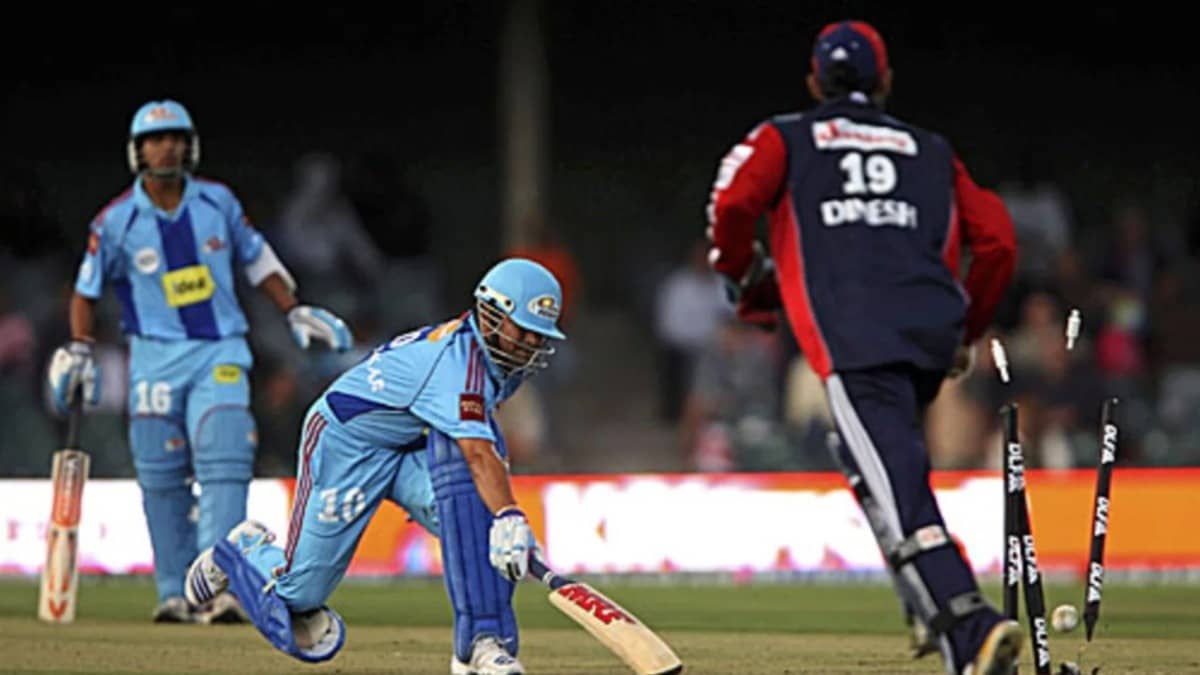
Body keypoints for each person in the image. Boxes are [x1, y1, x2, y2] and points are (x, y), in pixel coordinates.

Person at [704, 20, 1021, 675]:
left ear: (814, 82)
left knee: (899, 487)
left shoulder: (786, 137)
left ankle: (969, 624)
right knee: (865, 455)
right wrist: (966, 327)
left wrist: (742, 276)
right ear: (886, 81)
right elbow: (997, 241)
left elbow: (730, 204)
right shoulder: (931, 148)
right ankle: (928, 605)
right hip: (927, 334)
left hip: (855, 338)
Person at [45, 99, 353, 623]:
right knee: (160, 475)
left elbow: (258, 259)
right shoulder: (116, 221)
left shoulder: (217, 203)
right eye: (155, 139)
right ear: (137, 151)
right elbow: (85, 290)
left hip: (219, 349)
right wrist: (79, 346)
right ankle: (175, 590)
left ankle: (221, 586)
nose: (166, 147)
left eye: (175, 138)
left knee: (225, 453)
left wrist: (293, 309)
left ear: (190, 146)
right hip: (152, 358)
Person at [183, 258, 566, 674]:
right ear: (491, 314)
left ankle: (480, 645)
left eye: (539, 335)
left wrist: (500, 521)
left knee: (483, 526)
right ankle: (242, 551)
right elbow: (477, 452)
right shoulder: (457, 366)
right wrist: (509, 514)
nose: (531, 343)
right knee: (299, 600)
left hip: (409, 446)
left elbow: (479, 449)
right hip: (347, 444)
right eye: (523, 330)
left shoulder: (500, 360)